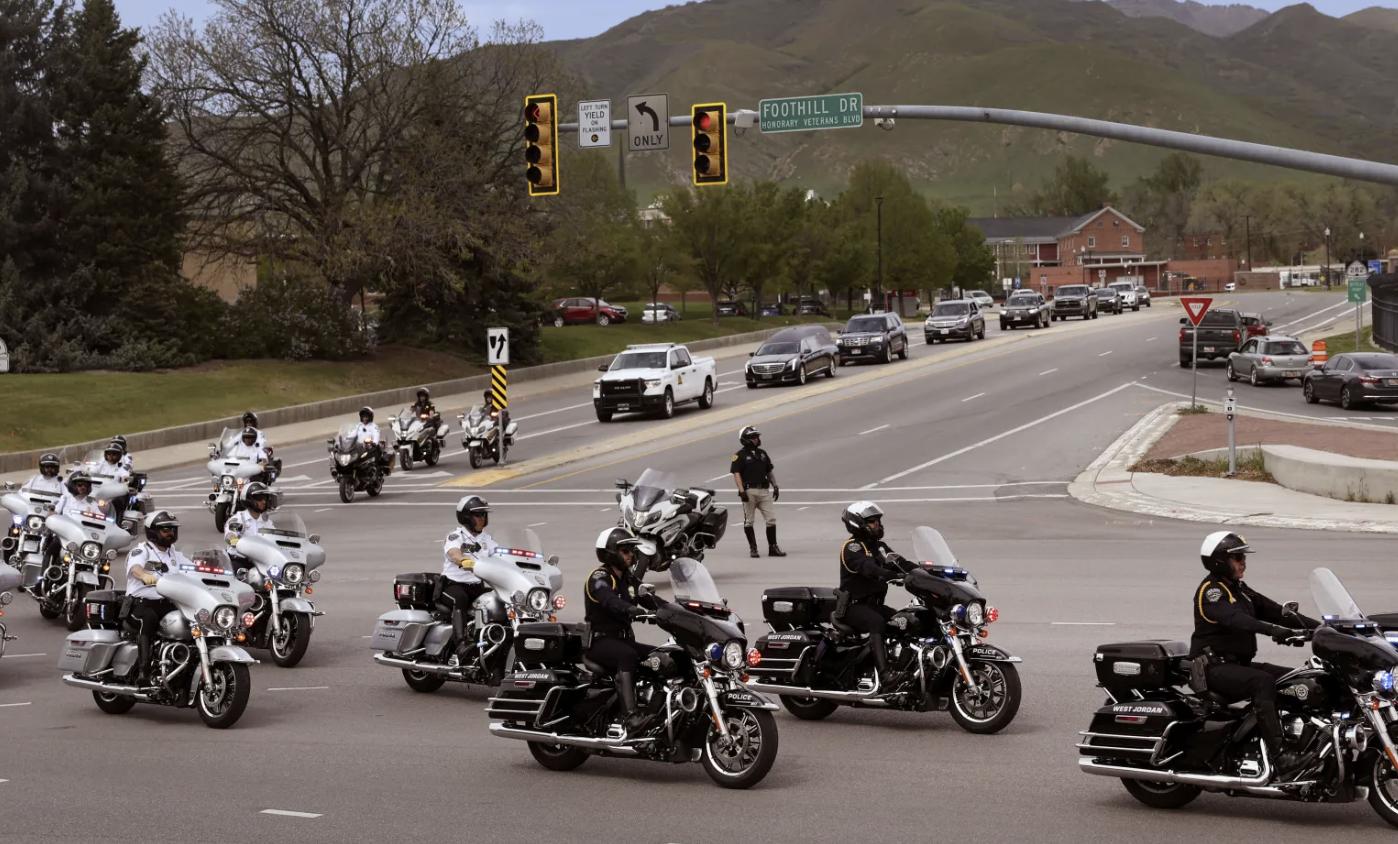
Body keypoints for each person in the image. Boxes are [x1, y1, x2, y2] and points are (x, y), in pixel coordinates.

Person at [1190, 531, 1319, 775]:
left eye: (1242, 557)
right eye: (1237, 558)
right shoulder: (1211, 592)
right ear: (1219, 561)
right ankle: (1281, 757)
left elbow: (1276, 611)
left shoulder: (1240, 590)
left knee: (1301, 678)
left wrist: (1324, 628)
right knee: (1262, 682)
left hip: (1238, 665)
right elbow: (1237, 620)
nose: (1243, 562)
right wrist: (1275, 631)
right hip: (1212, 669)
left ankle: (1297, 739)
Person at [585, 527, 655, 734]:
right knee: (627, 656)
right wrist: (632, 610)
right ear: (610, 553)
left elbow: (650, 600)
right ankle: (630, 717)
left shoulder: (628, 578)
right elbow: (609, 600)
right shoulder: (599, 577)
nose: (631, 555)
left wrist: (678, 612)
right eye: (626, 551)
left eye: (632, 551)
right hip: (599, 642)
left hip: (623, 640)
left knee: (662, 656)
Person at [834, 500, 908, 690]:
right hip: (853, 607)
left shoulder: (879, 546)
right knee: (876, 622)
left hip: (874, 605)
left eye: (878, 521)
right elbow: (870, 569)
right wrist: (894, 576)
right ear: (858, 523)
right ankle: (885, 675)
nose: (878, 525)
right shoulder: (852, 547)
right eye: (872, 521)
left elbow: (901, 563)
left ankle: (903, 665)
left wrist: (930, 573)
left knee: (905, 620)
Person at [122, 511, 191, 685]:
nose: (170, 533)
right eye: (165, 529)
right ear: (153, 531)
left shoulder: (174, 554)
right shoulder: (142, 550)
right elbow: (135, 568)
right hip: (141, 605)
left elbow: (194, 568)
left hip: (168, 603)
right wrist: (144, 575)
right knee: (149, 619)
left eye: (173, 529)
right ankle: (143, 671)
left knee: (191, 619)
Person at [439, 495, 496, 666]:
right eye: (478, 515)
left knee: (498, 600)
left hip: (476, 586)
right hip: (453, 586)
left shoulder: (487, 540)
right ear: (466, 517)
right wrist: (464, 561)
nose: (483, 519)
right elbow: (454, 553)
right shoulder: (456, 536)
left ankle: (493, 638)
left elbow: (502, 555)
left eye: (484, 515)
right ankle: (461, 644)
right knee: (460, 599)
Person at [730, 426, 784, 558]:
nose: (757, 439)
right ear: (746, 439)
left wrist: (775, 485)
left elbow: (769, 471)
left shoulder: (762, 453)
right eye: (754, 437)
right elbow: (737, 474)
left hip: (764, 491)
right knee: (749, 521)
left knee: (771, 519)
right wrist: (742, 491)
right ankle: (753, 548)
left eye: (757, 436)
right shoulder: (739, 456)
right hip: (749, 491)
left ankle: (773, 547)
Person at [224, 483, 279, 573]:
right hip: (240, 560)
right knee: (239, 577)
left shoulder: (266, 521)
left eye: (265, 498)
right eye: (259, 499)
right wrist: (238, 543)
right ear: (248, 500)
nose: (264, 502)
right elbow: (230, 536)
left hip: (261, 561)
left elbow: (276, 537)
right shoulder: (238, 519)